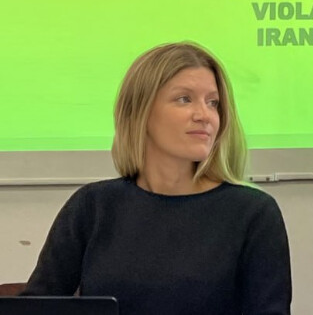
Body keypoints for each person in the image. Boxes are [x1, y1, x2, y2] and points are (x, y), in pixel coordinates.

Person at [22, 42, 292, 315]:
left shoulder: (253, 213)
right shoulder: (93, 206)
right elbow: (34, 307)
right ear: (140, 111)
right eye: (184, 99)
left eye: (213, 103)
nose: (204, 116)